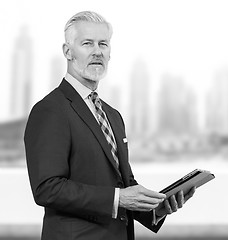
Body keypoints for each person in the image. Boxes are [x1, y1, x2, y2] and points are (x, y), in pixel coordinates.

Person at [24, 11, 195, 240]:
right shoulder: (50, 110)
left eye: (103, 44)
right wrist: (117, 198)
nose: (97, 51)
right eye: (87, 43)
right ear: (68, 52)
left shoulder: (112, 115)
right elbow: (47, 188)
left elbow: (124, 186)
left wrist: (158, 207)